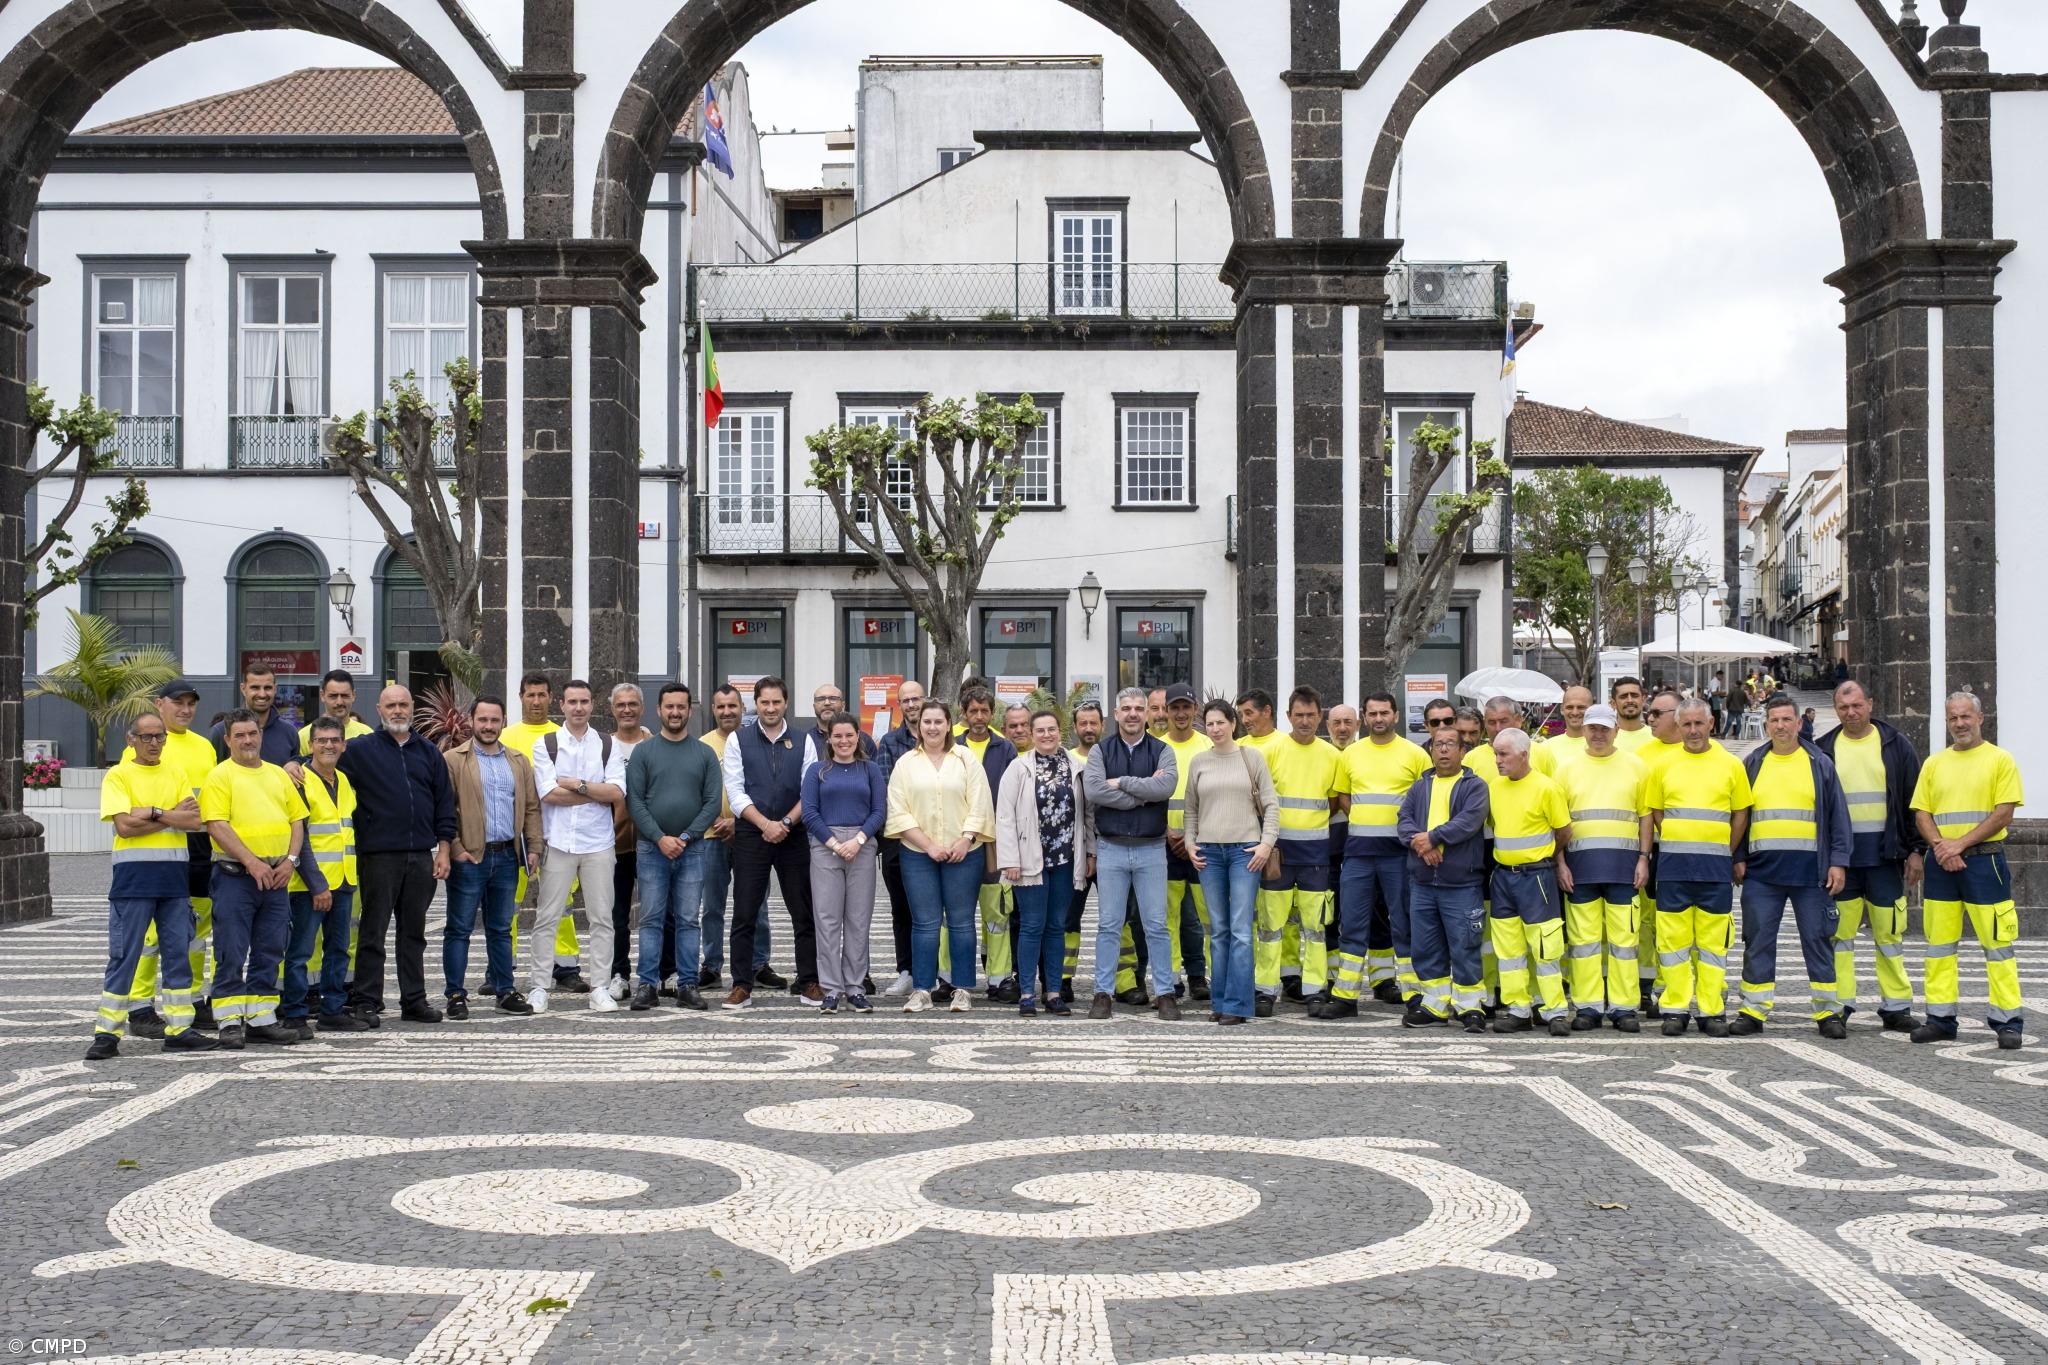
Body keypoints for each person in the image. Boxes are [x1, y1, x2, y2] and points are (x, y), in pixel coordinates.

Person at [85, 711, 216, 1059]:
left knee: (178, 957)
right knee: (124, 958)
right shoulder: (118, 775)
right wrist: (168, 814)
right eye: (147, 737)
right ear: (131, 740)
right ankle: (107, 1033)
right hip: (133, 881)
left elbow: (193, 820)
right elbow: (124, 827)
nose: (155, 743)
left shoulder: (175, 773)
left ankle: (179, 1028)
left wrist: (152, 812)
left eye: (160, 737)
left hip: (174, 882)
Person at [1910, 692, 2027, 1049]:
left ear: (1980, 718)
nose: (1959, 724)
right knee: (1939, 946)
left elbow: (2003, 813)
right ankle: (1940, 1019)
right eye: (1952, 718)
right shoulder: (1934, 763)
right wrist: (1942, 848)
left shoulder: (1999, 760)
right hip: (1942, 864)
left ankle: (2007, 1021)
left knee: (1998, 945)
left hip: (1984, 861)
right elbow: (1922, 813)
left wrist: (1957, 845)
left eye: (1965, 717)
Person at [1734, 694, 1852, 1039]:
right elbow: (1740, 816)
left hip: (1812, 874)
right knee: (1757, 940)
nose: (1781, 726)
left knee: (1818, 940)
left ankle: (1828, 1012)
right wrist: (1738, 857)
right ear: (1767, 724)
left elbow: (1838, 819)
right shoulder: (1753, 763)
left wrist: (1839, 863)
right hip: (1762, 874)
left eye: (1788, 719)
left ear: (1799, 723)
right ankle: (1753, 1010)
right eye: (1775, 720)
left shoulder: (1819, 763)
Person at [339, 685, 455, 1025]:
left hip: (420, 856)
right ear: (379, 709)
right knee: (372, 931)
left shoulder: (429, 752)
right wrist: (292, 764)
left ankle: (414, 1000)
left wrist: (443, 848)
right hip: (378, 857)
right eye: (391, 705)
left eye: (404, 704)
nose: (398, 711)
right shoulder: (360, 750)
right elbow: (322, 760)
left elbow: (444, 803)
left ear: (413, 707)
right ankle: (366, 1000)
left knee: (413, 934)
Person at [1817, 679, 1924, 1030]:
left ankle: (1896, 1006)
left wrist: (1915, 851)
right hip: (1842, 862)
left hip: (1886, 857)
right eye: (1844, 707)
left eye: (1857, 705)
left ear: (1871, 704)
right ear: (1836, 710)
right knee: (1840, 938)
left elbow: (1913, 801)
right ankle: (1841, 1005)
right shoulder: (1824, 749)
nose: (1851, 713)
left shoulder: (1896, 745)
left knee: (1890, 936)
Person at [201, 709, 307, 1050]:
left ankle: (262, 1019)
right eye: (240, 735)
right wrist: (251, 862)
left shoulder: (277, 775)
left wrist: (291, 861)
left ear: (260, 735)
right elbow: (217, 825)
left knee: (270, 949)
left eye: (253, 733)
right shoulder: (220, 776)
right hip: (235, 876)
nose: (248, 740)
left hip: (276, 877)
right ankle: (230, 1021)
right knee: (231, 949)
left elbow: (297, 821)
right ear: (228, 739)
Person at [1647, 698, 1752, 1037]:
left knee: (1713, 946)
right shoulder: (1662, 766)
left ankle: (1711, 1010)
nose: (1692, 730)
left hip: (1715, 870)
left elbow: (1741, 815)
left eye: (1698, 724)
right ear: (1678, 727)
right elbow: (1656, 812)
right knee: (1672, 945)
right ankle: (1675, 1009)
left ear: (1711, 724)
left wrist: (1726, 850)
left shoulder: (1731, 764)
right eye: (1686, 724)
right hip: (1674, 869)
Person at [120, 680, 220, 1036]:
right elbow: (131, 810)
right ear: (159, 705)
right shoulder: (141, 746)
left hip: (199, 849)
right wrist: (169, 815)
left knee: (196, 932)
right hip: (153, 852)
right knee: (149, 935)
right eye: (178, 703)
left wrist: (174, 815)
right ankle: (139, 1006)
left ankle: (192, 1000)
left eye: (191, 703)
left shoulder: (205, 747)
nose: (186, 710)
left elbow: (202, 809)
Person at [887, 698, 994, 1012]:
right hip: (918, 854)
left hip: (965, 853)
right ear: (918, 726)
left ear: (949, 725)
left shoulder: (965, 760)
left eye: (938, 721)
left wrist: (965, 839)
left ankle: (962, 989)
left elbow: (980, 802)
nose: (932, 727)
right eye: (926, 722)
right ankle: (922, 989)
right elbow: (898, 810)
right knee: (924, 923)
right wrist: (928, 845)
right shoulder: (906, 763)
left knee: (961, 923)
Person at [1082, 686, 1182, 1020]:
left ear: (1151, 713)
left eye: (1139, 708)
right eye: (1126, 708)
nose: (1133, 714)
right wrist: (1143, 792)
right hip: (1111, 849)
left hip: (1151, 850)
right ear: (1116, 713)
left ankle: (1165, 993)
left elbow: (1165, 787)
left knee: (1156, 925)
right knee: (1109, 925)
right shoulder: (1100, 751)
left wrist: (1121, 782)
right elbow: (1094, 790)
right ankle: (1103, 993)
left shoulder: (1162, 750)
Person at [529, 679, 629, 1013]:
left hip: (599, 843)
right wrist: (592, 791)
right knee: (547, 916)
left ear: (593, 704)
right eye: (572, 702)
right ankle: (540, 986)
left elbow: (616, 793)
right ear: (561, 704)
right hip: (557, 841)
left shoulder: (606, 745)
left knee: (602, 918)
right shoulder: (546, 744)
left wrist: (575, 784)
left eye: (584, 701)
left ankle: (599, 986)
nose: (578, 708)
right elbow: (547, 793)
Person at [721, 676, 821, 1008]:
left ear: (786, 703)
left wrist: (787, 823)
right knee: (745, 911)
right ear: (756, 704)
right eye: (764, 702)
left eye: (777, 702)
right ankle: (741, 984)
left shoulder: (804, 740)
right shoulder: (739, 739)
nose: (771, 708)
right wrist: (766, 824)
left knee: (803, 911)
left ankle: (808, 981)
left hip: (794, 834)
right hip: (752, 833)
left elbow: (809, 791)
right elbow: (735, 792)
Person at [441, 695, 542, 1017]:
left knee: (501, 928)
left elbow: (530, 808)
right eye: (482, 720)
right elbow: (444, 808)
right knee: (459, 929)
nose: (488, 726)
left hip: (507, 857)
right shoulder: (453, 759)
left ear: (503, 722)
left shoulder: (517, 760)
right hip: (470, 858)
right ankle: (456, 994)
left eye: (494, 720)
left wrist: (535, 846)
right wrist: (455, 847)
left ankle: (505, 990)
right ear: (471, 721)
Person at [627, 682, 722, 1013]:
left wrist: (686, 837)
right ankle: (648, 985)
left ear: (690, 711)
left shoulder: (704, 753)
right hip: (652, 849)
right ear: (659, 710)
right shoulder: (644, 752)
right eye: (670, 707)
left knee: (688, 919)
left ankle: (687, 985)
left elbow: (711, 803)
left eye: (681, 707)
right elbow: (634, 802)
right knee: (651, 918)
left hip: (692, 849)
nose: (675, 712)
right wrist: (660, 838)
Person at [1557, 704, 1652, 1032]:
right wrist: (1560, 863)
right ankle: (1587, 1006)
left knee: (1625, 942)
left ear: (1616, 730)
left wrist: (1644, 857)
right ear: (1584, 729)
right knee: (1583, 945)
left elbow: (1645, 816)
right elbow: (1557, 823)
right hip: (1579, 871)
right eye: (1592, 728)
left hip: (1624, 870)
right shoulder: (1566, 769)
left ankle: (1624, 1008)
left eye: (1604, 728)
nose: (1598, 734)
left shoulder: (1636, 766)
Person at [1184, 698, 1279, 1026]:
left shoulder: (1251, 758)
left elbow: (1271, 805)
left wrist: (1265, 845)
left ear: (1233, 723)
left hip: (1244, 853)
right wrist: (1190, 842)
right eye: (1209, 724)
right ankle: (1220, 1001)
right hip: (1210, 853)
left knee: (1240, 930)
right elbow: (1191, 809)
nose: (1215, 729)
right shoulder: (1199, 762)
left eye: (1220, 722)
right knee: (1219, 931)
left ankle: (1238, 1005)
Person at [1334, 692, 1430, 1013]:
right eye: (1372, 714)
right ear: (1364, 717)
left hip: (1400, 854)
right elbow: (1344, 797)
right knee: (1353, 921)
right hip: (1359, 853)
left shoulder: (1416, 755)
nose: (1379, 719)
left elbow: (1426, 802)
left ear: (1396, 716)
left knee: (1403, 923)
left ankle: (1413, 994)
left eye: (1384, 713)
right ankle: (1346, 997)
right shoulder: (1351, 754)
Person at [994, 710, 1095, 1017]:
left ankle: (1052, 992)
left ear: (1060, 731)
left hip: (1066, 859)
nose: (1047, 735)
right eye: (1040, 730)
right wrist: (1009, 859)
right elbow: (1005, 816)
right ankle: (1026, 992)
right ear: (1032, 734)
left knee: (1056, 927)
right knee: (1031, 926)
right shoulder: (1018, 768)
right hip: (1029, 860)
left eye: (1052, 729)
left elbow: (1088, 815)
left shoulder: (1076, 767)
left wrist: (1090, 853)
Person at [1396, 729, 1491, 1030]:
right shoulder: (1420, 786)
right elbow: (1404, 821)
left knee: (1465, 945)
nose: (1444, 750)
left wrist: (1434, 838)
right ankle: (1434, 1006)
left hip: (1461, 883)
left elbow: (1469, 821)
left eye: (1451, 745)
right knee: (1425, 947)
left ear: (1463, 751)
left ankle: (1470, 1007)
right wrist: (1422, 845)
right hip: (1423, 882)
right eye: (1439, 745)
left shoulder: (1474, 786)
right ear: (1431, 750)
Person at [1258, 687, 1344, 1016]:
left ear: (1320, 716)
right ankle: (1266, 989)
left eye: (1311, 715)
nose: (1305, 721)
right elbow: (1261, 802)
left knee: (1316, 927)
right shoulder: (1273, 751)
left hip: (1316, 857)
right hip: (1278, 854)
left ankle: (1314, 990)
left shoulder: (1331, 756)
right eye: (1299, 715)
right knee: (1271, 926)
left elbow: (1334, 802)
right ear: (1288, 716)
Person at [1484, 728, 1574, 1036]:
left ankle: (1555, 1010)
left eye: (1504, 754)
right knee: (1509, 950)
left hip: (1536, 877)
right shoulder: (1494, 787)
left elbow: (1564, 832)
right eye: (1495, 753)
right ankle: (1518, 1008)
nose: (1498, 760)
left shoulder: (1547, 788)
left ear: (1524, 755)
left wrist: (1550, 858)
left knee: (1546, 946)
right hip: (1503, 877)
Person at [501, 672, 586, 993]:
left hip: (557, 831)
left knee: (561, 902)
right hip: (515, 833)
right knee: (507, 903)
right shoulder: (506, 736)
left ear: (552, 698)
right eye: (530, 695)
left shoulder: (563, 735)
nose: (536, 701)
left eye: (542, 695)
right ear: (520, 697)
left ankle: (565, 967)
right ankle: (502, 967)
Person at [280, 716, 362, 1037]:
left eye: (334, 740)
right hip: (310, 885)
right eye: (322, 740)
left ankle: (332, 1010)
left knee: (338, 950)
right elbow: (301, 838)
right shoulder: (299, 781)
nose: (329, 745)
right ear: (310, 745)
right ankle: (296, 1014)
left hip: (343, 881)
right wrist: (317, 884)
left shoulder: (343, 779)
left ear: (343, 744)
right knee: (300, 952)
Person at [802, 712, 888, 1013]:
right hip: (826, 847)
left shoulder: (870, 770)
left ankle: (854, 988)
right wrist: (836, 843)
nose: (843, 741)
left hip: (861, 846)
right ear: (829, 739)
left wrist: (859, 840)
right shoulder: (817, 771)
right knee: (827, 920)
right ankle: (831, 989)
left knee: (858, 920)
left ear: (858, 737)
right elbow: (810, 813)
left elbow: (879, 811)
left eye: (849, 735)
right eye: (837, 736)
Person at [697, 684, 770, 992]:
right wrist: (717, 820)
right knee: (712, 905)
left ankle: (759, 964)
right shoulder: (701, 745)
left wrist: (737, 822)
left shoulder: (756, 742)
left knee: (757, 903)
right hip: (711, 836)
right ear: (713, 710)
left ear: (743, 708)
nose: (727, 712)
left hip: (750, 834)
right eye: (721, 707)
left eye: (732, 706)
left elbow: (766, 788)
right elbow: (694, 790)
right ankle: (712, 965)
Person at [956, 686, 1021, 1002]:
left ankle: (999, 978)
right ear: (964, 714)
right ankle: (951, 978)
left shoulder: (1004, 748)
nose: (979, 717)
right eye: (973, 712)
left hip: (993, 842)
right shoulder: (953, 747)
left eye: (984, 711)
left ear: (991, 713)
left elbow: (1010, 797)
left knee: (996, 914)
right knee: (954, 914)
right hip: (959, 842)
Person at [1159, 682, 1213, 1001]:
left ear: (1195, 711)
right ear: (1166, 712)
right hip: (1164, 844)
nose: (1181, 713)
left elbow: (1216, 796)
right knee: (1167, 917)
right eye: (1175, 708)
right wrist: (1168, 832)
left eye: (1186, 707)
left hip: (1202, 844)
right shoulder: (1156, 747)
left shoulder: (1208, 746)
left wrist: (1192, 836)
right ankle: (1172, 978)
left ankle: (1203, 976)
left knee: (1206, 917)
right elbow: (1149, 798)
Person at [874, 679, 927, 997]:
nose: (911, 705)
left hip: (937, 839)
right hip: (897, 839)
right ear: (899, 705)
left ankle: (934, 972)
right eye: (905, 701)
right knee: (901, 909)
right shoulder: (890, 743)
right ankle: (906, 971)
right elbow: (887, 790)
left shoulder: (941, 737)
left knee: (934, 910)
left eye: (915, 699)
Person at [608, 682, 653, 999]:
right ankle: (618, 974)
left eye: (632, 704)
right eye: (621, 704)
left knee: (660, 913)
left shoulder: (655, 743)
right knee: (616, 915)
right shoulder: (602, 746)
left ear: (642, 707)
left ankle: (662, 974)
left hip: (654, 841)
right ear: (613, 709)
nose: (627, 710)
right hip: (616, 842)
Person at [1059, 699, 1106, 1001]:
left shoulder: (1111, 755)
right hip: (1076, 851)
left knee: (1118, 918)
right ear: (1075, 727)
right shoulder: (1066, 761)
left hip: (1113, 846)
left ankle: (1126, 981)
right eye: (1083, 723)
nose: (1088, 728)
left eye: (1094, 723)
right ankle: (1063, 978)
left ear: (1103, 725)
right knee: (1069, 918)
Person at [208, 664, 299, 765]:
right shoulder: (221, 731)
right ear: (243, 689)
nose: (262, 694)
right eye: (255, 688)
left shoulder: (289, 732)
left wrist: (295, 763)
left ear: (275, 689)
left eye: (267, 688)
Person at [297, 670, 372, 752]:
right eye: (333, 696)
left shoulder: (367, 734)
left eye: (344, 696)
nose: (339, 702)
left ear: (353, 696)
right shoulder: (304, 736)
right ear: (322, 696)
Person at [812, 682, 877, 759]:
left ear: (843, 705)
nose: (827, 703)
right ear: (814, 706)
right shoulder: (806, 741)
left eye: (833, 698)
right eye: (821, 699)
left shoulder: (864, 740)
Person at [1540, 685, 1595, 773]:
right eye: (1570, 707)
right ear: (1562, 709)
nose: (1575, 712)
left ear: (1592, 709)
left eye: (1581, 707)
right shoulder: (1546, 748)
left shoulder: (1603, 745)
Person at [1610, 677, 1655, 754]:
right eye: (1623, 697)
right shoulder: (1605, 737)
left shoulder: (1656, 736)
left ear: (1643, 700)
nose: (1630, 700)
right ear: (1613, 703)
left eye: (1634, 696)